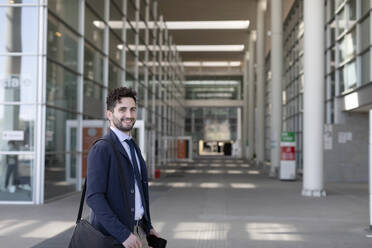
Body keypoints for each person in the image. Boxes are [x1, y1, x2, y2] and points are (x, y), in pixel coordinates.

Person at [86, 87, 161, 248]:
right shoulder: (102, 148)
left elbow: (138, 191)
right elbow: (94, 197)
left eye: (133, 109)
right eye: (122, 110)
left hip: (138, 231)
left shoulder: (133, 147)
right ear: (109, 114)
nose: (129, 115)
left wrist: (147, 226)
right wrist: (123, 234)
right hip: (114, 236)